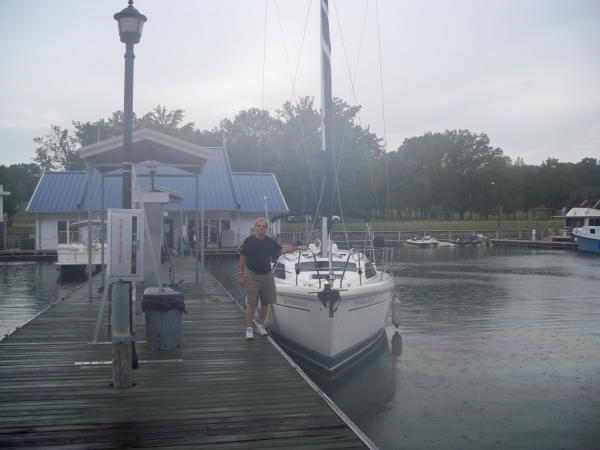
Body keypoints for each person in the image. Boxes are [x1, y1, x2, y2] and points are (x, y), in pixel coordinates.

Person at [239, 218, 305, 339]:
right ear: (255, 227)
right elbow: (242, 258)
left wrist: (297, 248)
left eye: (263, 226)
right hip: (252, 275)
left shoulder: (269, 241)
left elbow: (282, 250)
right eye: (259, 226)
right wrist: (241, 274)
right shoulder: (248, 241)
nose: (261, 228)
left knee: (265, 302)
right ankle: (249, 328)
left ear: (266, 228)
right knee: (251, 303)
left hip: (267, 275)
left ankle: (260, 326)